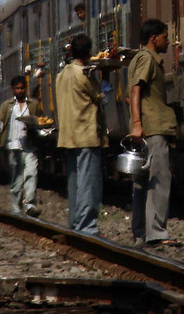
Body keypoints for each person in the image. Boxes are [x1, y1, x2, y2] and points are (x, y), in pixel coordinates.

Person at [127, 19, 179, 248]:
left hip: (147, 127)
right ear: (153, 38)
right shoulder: (147, 59)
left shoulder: (139, 59)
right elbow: (136, 89)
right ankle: (156, 232)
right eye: (165, 37)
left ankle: (141, 233)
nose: (168, 42)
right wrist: (138, 122)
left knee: (141, 182)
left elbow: (132, 94)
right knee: (158, 180)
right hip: (152, 128)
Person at [55, 33, 106, 235]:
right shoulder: (83, 75)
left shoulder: (62, 75)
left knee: (74, 181)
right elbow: (99, 97)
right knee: (88, 182)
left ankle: (75, 222)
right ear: (88, 53)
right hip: (86, 133)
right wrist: (106, 80)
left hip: (68, 134)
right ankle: (87, 225)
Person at [0, 75, 43, 216]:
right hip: (13, 145)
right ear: (13, 89)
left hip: (29, 145)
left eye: (22, 88)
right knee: (17, 177)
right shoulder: (7, 106)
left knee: (31, 173)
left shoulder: (33, 105)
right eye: (17, 88)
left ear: (26, 88)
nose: (20, 91)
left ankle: (30, 205)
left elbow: (40, 121)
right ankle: (16, 207)